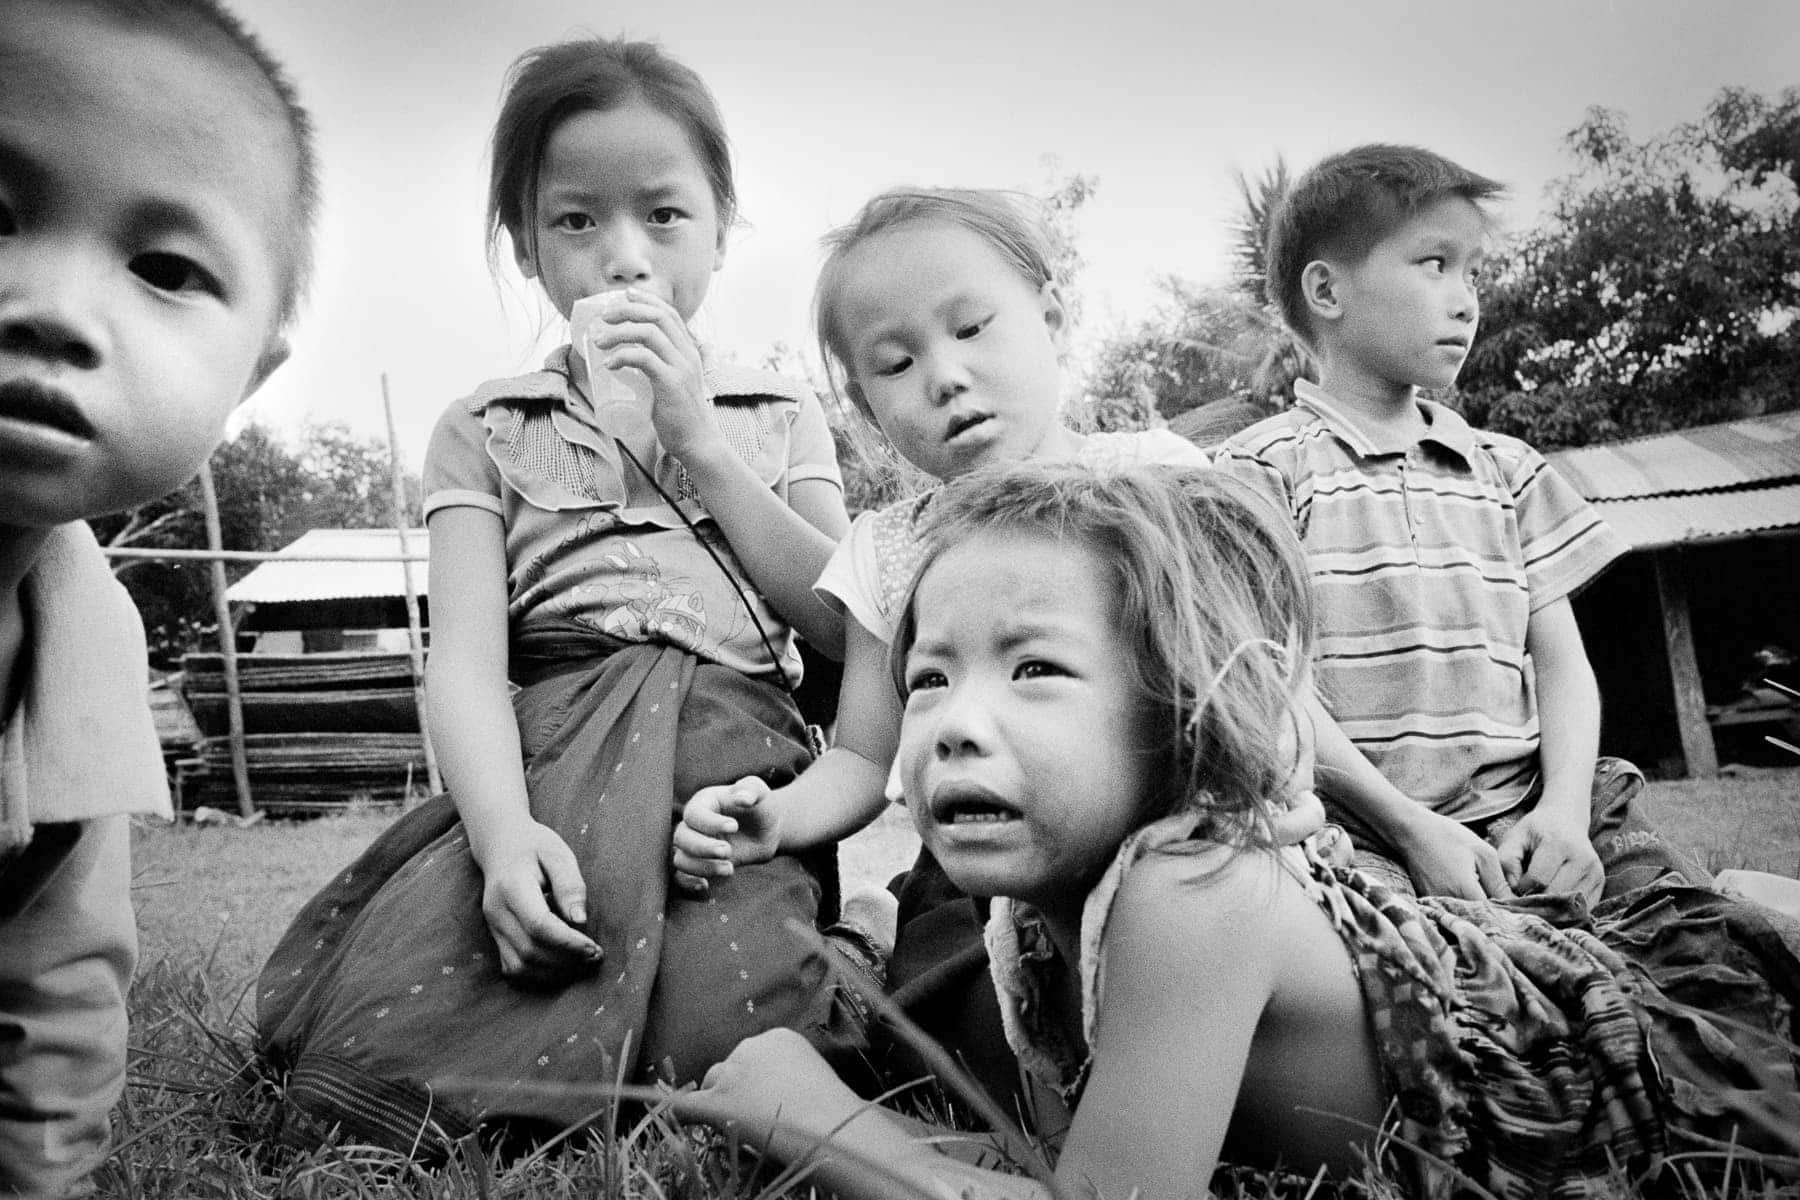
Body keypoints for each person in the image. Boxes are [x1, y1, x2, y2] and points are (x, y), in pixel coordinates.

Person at [675, 461, 1800, 1200]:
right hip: (1472, 978)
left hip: (1600, 1064)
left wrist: (816, 1118)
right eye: (928, 678)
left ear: (1174, 708)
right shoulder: (1034, 907)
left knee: (1735, 972)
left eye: (1037, 670)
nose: (956, 726)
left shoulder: (1190, 892)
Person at [256, 35, 869, 1155]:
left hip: (726, 780)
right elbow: (464, 668)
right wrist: (501, 842)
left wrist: (704, 446)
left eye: (665, 216)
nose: (622, 260)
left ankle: (835, 951)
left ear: (722, 230)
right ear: (528, 249)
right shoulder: (485, 429)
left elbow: (841, 623)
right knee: (409, 1028)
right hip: (547, 768)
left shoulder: (776, 413)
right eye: (576, 221)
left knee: (730, 1026)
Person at [670, 187, 1220, 1111]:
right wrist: (778, 816)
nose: (945, 376)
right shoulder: (892, 548)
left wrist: (1407, 825)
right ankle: (883, 940)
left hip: (1165, 841)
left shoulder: (1155, 480)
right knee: (945, 1052)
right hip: (984, 871)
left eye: (972, 328)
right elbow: (859, 757)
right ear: (862, 404)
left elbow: (1256, 696)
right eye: (896, 363)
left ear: (1051, 318)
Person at [0, 0, 316, 1194]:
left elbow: (54, 970)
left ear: (250, 379)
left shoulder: (85, 635)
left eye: (166, 270)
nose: (56, 309)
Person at [1215, 144, 1709, 905]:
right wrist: (1412, 830)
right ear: (1326, 290)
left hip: (1534, 817)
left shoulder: (1508, 470)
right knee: (1423, 988)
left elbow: (1562, 667)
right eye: (1434, 263)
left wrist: (1565, 812)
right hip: (1361, 833)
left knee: (1698, 940)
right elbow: (1270, 689)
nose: (1467, 299)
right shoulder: (1260, 474)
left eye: (1473, 271)